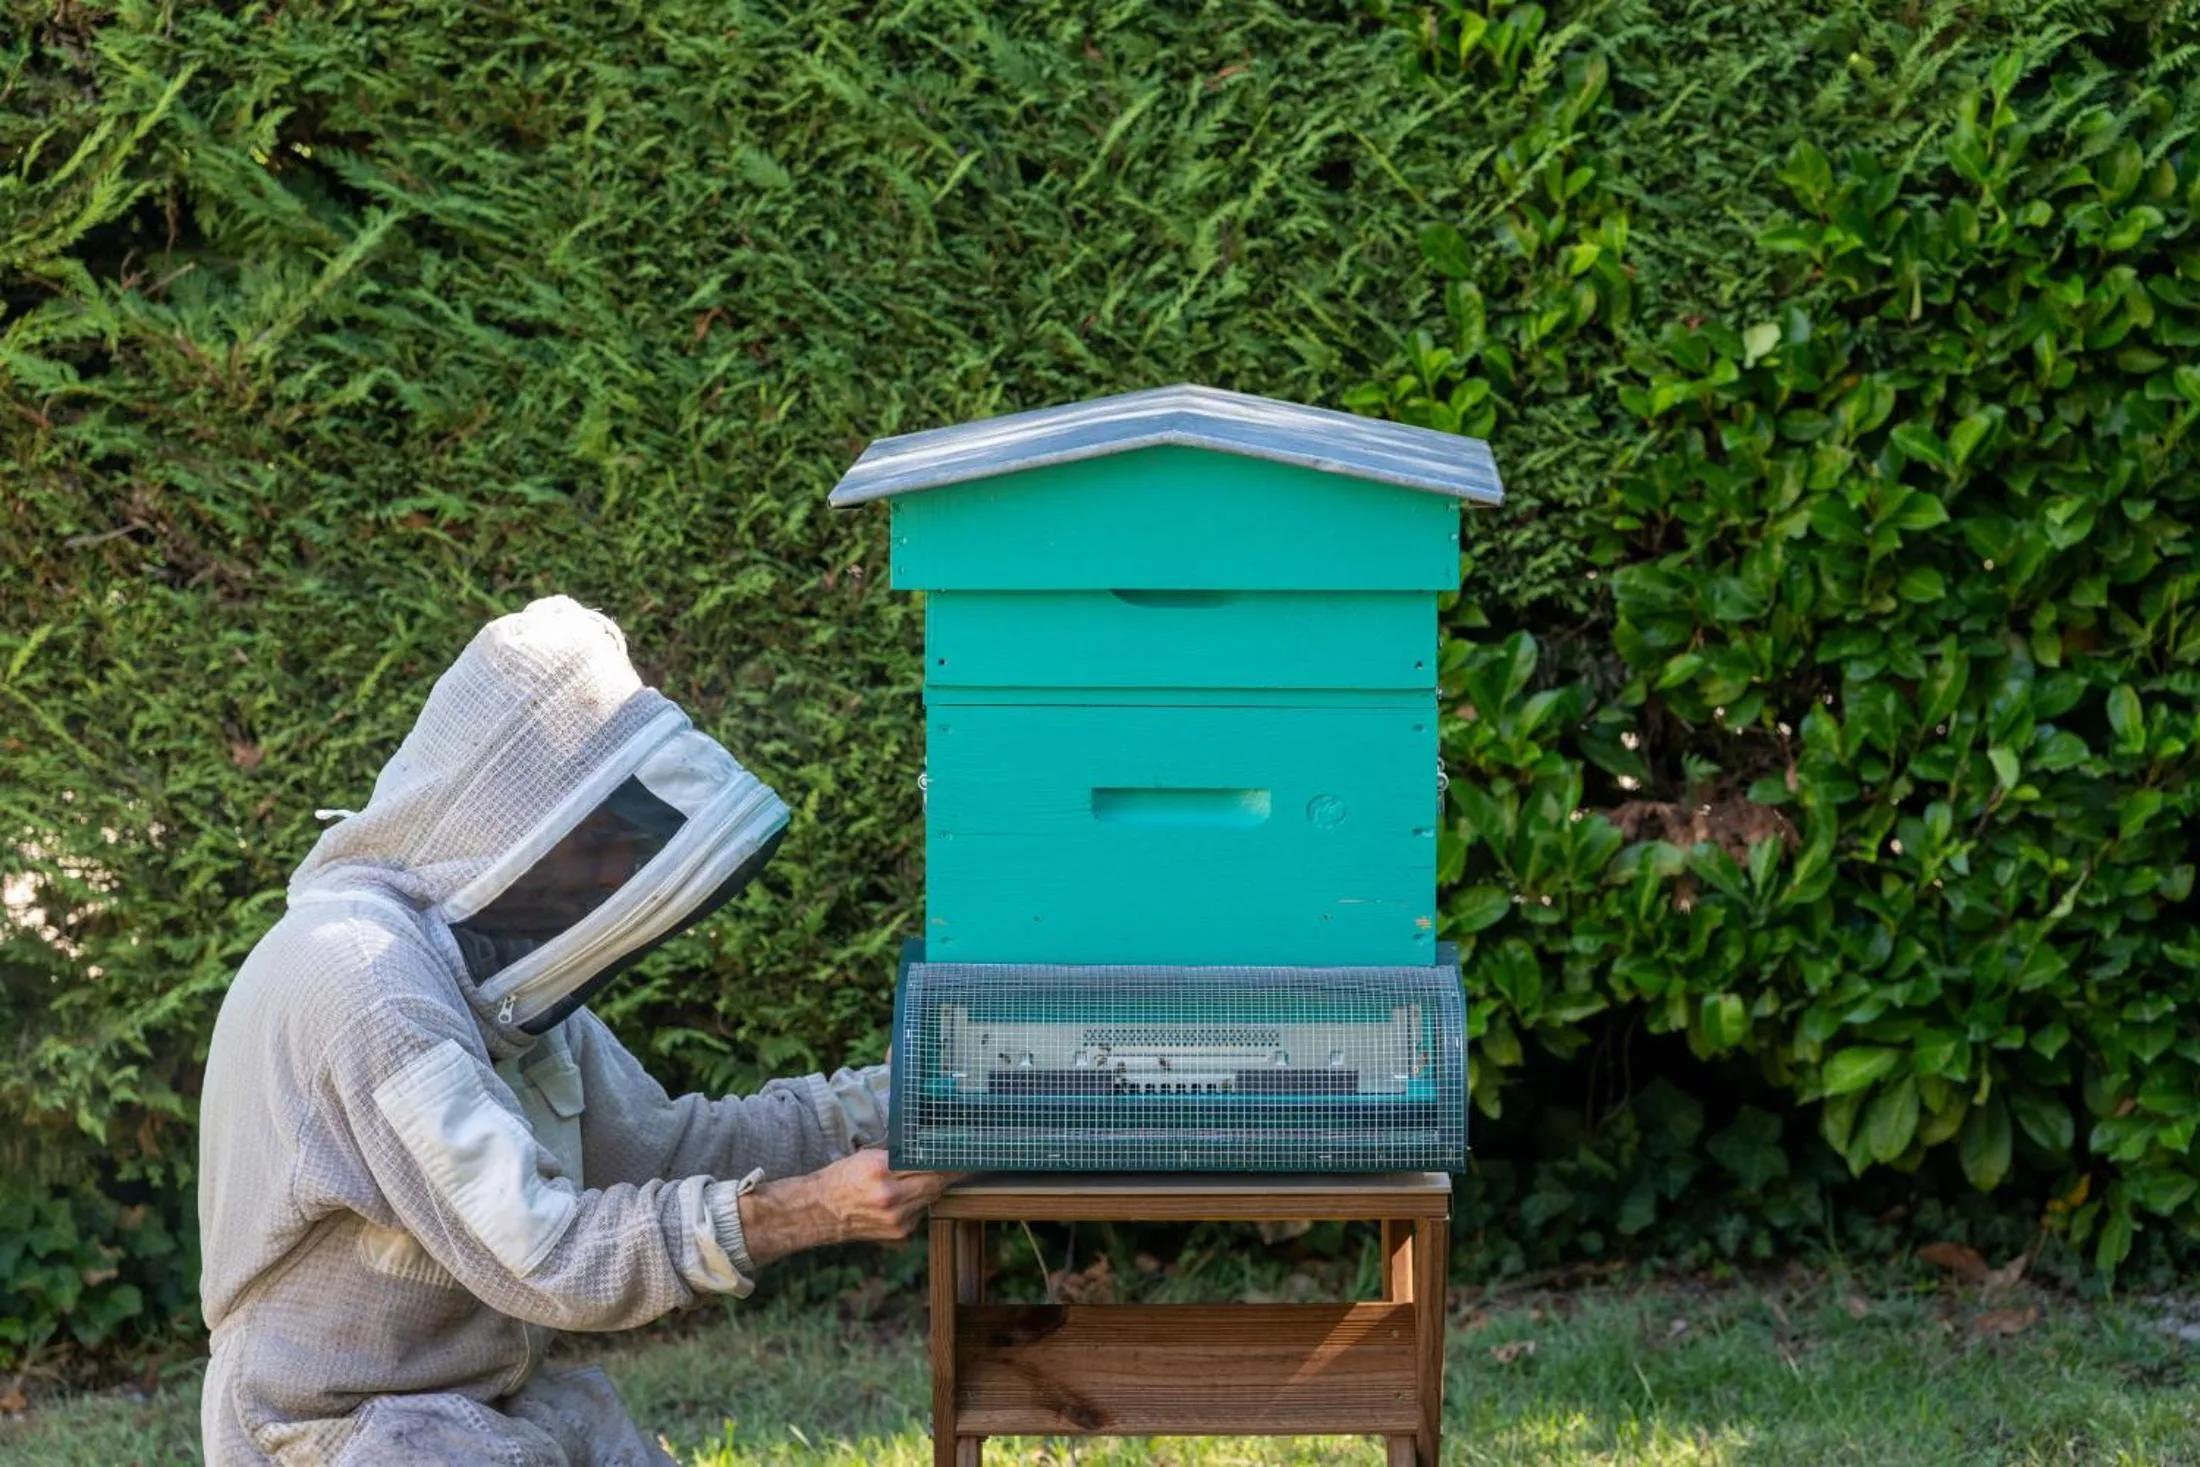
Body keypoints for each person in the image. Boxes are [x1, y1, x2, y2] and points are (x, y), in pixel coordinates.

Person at [198, 596, 952, 1465]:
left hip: (486, 1406)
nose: (618, 869)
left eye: (630, 840)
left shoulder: (490, 990)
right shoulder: (368, 984)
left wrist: (898, 1099)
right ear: (514, 820)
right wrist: (809, 1211)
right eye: (601, 835)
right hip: (333, 1433)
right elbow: (547, 1248)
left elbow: (671, 1150)